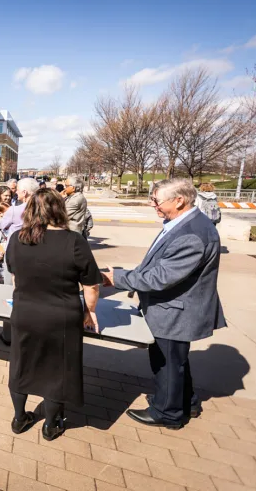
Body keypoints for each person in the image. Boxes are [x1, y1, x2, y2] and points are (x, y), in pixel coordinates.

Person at [102, 178, 226, 429]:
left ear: (179, 200)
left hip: (175, 311)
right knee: (175, 361)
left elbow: (161, 277)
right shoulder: (183, 222)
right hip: (174, 308)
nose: (152, 205)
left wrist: (118, 277)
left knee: (167, 363)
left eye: (157, 200)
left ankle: (168, 413)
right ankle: (183, 401)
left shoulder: (191, 234)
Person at [5, 188, 101, 441]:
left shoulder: (17, 238)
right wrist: (89, 313)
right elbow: (91, 285)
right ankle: (50, 424)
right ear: (60, 209)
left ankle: (19, 418)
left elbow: (15, 278)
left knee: (20, 364)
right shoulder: (74, 241)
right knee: (57, 368)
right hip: (61, 316)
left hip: (25, 311)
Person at [0, 177, 40, 346]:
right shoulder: (44, 212)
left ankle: (9, 335)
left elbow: (1, 226)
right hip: (37, 258)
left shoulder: (14, 211)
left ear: (23, 192)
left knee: (12, 295)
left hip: (15, 258)